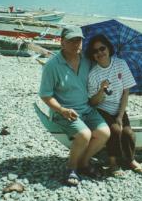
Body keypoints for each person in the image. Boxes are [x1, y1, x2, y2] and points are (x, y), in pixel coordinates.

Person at [39, 26, 110, 186]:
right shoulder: (52, 66)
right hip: (64, 111)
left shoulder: (87, 60)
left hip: (86, 108)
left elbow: (103, 68)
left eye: (79, 40)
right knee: (84, 135)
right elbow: (45, 95)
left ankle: (83, 163)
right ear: (61, 42)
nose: (76, 44)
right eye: (71, 40)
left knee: (104, 132)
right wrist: (62, 110)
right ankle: (71, 168)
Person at [86, 34, 142, 176]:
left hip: (119, 107)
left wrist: (120, 115)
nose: (100, 53)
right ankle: (113, 163)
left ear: (108, 48)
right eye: (95, 51)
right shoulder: (93, 74)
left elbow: (126, 91)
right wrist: (101, 90)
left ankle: (131, 160)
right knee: (115, 131)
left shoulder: (120, 64)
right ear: (93, 55)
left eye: (102, 48)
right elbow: (92, 102)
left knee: (128, 133)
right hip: (102, 109)